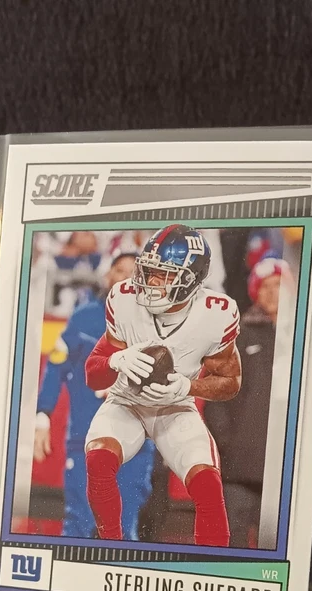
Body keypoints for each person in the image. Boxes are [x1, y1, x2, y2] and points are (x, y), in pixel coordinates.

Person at [84, 225, 241, 547]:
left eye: (165, 275)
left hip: (175, 406)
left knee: (208, 485)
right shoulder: (123, 297)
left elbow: (231, 383)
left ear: (193, 279)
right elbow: (93, 377)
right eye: (149, 270)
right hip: (127, 401)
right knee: (98, 460)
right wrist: (115, 361)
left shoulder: (217, 313)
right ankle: (110, 547)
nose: (151, 282)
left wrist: (188, 387)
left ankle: (213, 565)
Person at [34, 252, 154, 540]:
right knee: (78, 526)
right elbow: (56, 366)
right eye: (120, 270)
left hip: (135, 446)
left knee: (124, 531)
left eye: (135, 273)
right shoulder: (83, 318)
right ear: (107, 275)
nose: (127, 278)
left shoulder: (158, 326)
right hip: (86, 441)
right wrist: (42, 415)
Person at [206, 257, 293, 547]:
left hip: (286, 466)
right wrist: (228, 443)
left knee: (279, 545)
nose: (272, 292)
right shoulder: (237, 337)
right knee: (235, 544)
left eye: (278, 285)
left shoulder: (307, 335)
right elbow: (216, 396)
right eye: (264, 286)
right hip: (241, 466)